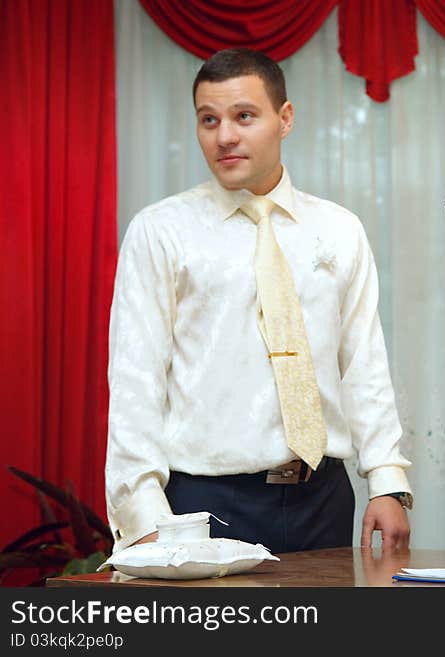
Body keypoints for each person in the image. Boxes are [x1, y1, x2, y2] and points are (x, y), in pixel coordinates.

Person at [105, 48, 413, 556]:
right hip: (202, 502)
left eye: (243, 116)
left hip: (324, 497)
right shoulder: (160, 232)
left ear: (284, 118)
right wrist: (143, 516)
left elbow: (363, 363)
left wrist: (385, 478)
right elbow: (136, 380)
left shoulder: (339, 229)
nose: (225, 135)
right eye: (209, 120)